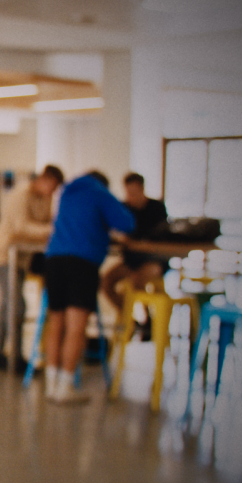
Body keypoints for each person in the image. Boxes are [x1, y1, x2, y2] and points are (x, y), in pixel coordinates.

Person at [42, 171, 135, 404]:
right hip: (81, 264)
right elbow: (127, 223)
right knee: (76, 327)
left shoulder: (67, 192)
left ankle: (50, 385)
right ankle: (65, 387)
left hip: (54, 261)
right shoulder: (100, 193)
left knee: (56, 322)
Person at [0, 165, 64, 372]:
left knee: (7, 305)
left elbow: (45, 223)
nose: (53, 192)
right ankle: (15, 358)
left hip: (22, 259)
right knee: (17, 305)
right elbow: (20, 226)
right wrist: (52, 230)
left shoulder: (46, 199)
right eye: (52, 186)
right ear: (44, 179)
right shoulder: (20, 194)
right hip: (3, 256)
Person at [100, 172, 169, 314]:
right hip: (131, 261)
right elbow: (112, 229)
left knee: (137, 281)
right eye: (128, 193)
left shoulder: (157, 208)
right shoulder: (124, 208)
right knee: (106, 281)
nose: (130, 197)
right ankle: (127, 316)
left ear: (142, 189)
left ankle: (148, 320)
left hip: (154, 260)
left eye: (134, 192)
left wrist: (137, 242)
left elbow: (161, 240)